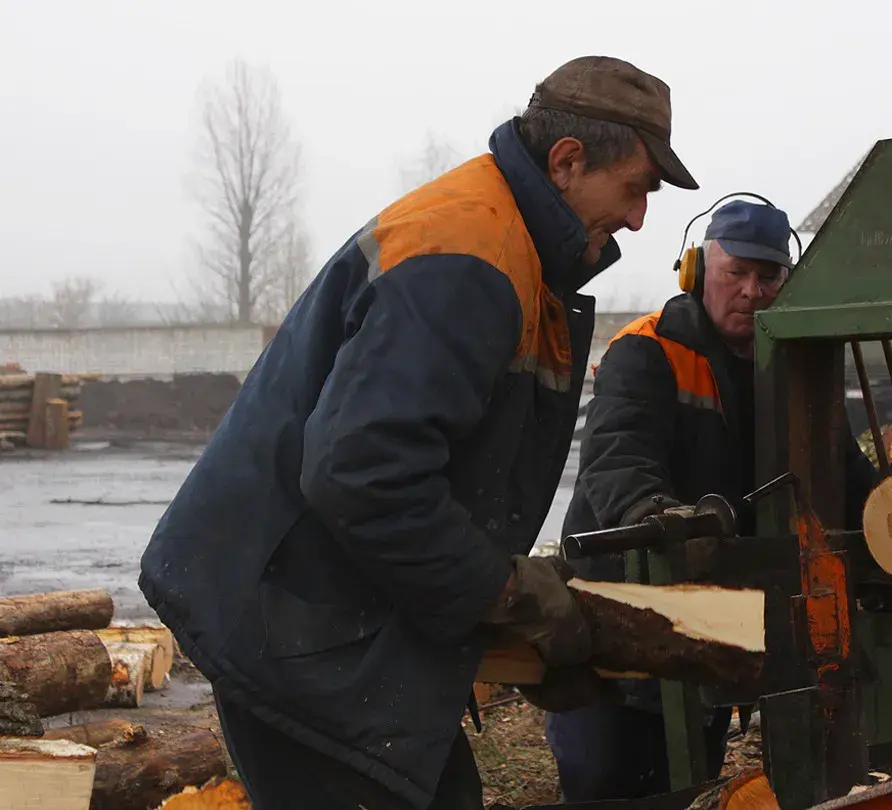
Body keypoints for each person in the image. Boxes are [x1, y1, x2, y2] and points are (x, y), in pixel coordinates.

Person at [137, 55, 699, 810]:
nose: (637, 218)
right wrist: (512, 596)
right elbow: (362, 478)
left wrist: (504, 609)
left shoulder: (508, 247)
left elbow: (439, 467)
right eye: (634, 190)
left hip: (324, 613)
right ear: (567, 162)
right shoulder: (468, 260)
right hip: (294, 627)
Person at [544, 199, 879, 800]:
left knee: (688, 777)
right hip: (618, 598)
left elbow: (839, 467)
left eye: (768, 276)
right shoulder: (646, 351)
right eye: (736, 272)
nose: (752, 291)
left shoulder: (791, 367)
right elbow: (618, 452)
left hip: (713, 612)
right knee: (604, 775)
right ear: (697, 271)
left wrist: (891, 516)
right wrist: (654, 514)